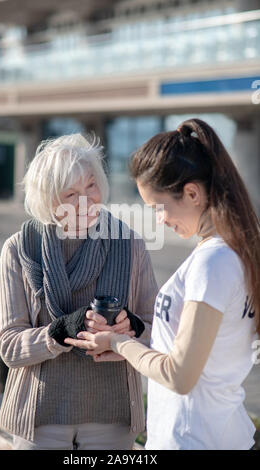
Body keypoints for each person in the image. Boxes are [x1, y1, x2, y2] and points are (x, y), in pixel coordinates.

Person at [65, 119, 260, 450]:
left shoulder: (212, 263)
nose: (160, 220)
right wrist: (129, 348)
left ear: (192, 193)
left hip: (191, 438)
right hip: (220, 434)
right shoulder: (236, 254)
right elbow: (197, 356)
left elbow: (180, 376)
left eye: (159, 208)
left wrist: (117, 342)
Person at [0, 134, 158, 450]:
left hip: (113, 421)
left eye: (91, 186)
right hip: (40, 422)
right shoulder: (18, 249)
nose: (86, 201)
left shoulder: (131, 244)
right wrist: (60, 332)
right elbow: (9, 346)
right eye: (70, 193)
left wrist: (133, 327)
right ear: (47, 199)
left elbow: (159, 332)